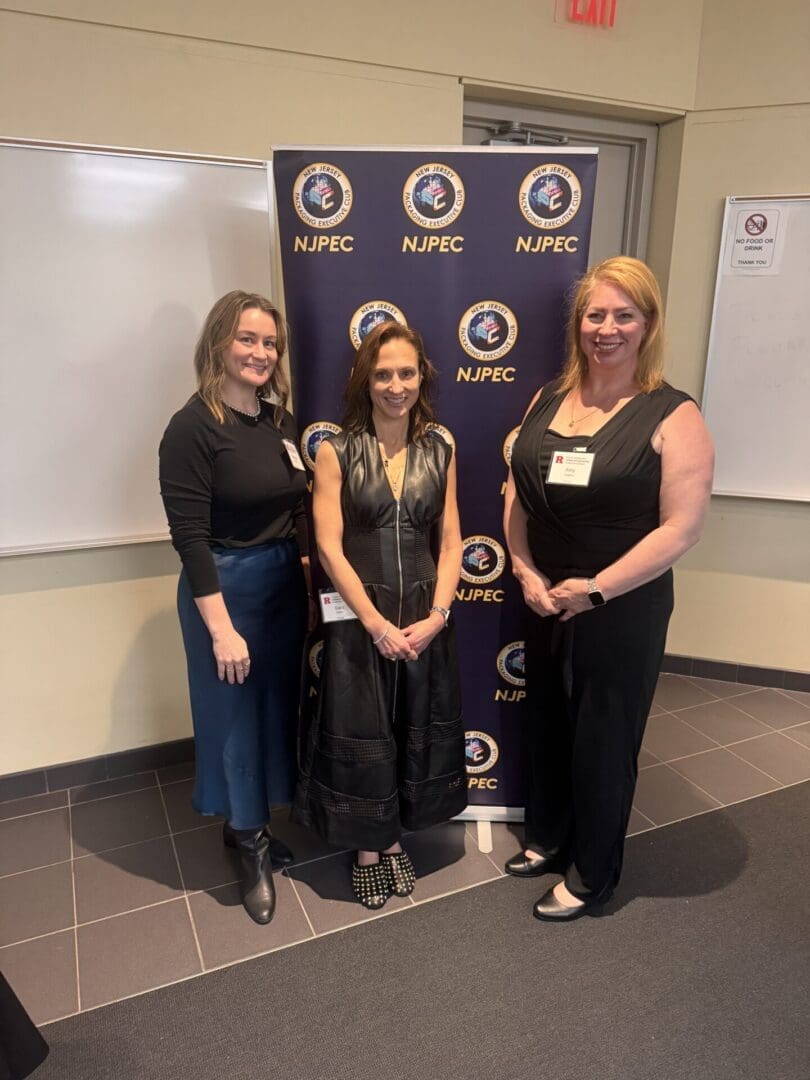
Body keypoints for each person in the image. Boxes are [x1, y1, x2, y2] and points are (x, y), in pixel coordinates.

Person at [503, 256, 714, 922]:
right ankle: (548, 836)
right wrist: (523, 568)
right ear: (578, 323)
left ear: (648, 325)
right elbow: (518, 493)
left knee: (602, 738)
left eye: (624, 315)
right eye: (595, 314)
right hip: (545, 599)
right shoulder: (546, 399)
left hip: (620, 605)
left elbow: (681, 530)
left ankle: (592, 873)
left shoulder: (674, 415)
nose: (607, 328)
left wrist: (591, 591)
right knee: (548, 723)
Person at [293, 321, 466, 909]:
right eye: (384, 373)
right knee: (363, 730)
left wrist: (440, 613)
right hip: (357, 621)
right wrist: (372, 623)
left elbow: (451, 543)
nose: (396, 386)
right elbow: (329, 548)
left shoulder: (440, 449)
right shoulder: (334, 450)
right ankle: (369, 846)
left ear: (423, 377)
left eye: (407, 373)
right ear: (366, 379)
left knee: (409, 725)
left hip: (423, 620)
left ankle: (394, 838)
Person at [159, 291, 311, 925]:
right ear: (219, 343)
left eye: (269, 343)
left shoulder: (281, 422)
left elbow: (295, 508)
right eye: (247, 339)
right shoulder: (193, 426)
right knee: (233, 718)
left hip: (281, 586)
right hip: (224, 590)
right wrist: (221, 631)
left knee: (275, 710)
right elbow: (189, 538)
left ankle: (255, 821)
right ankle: (247, 843)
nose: (260, 352)